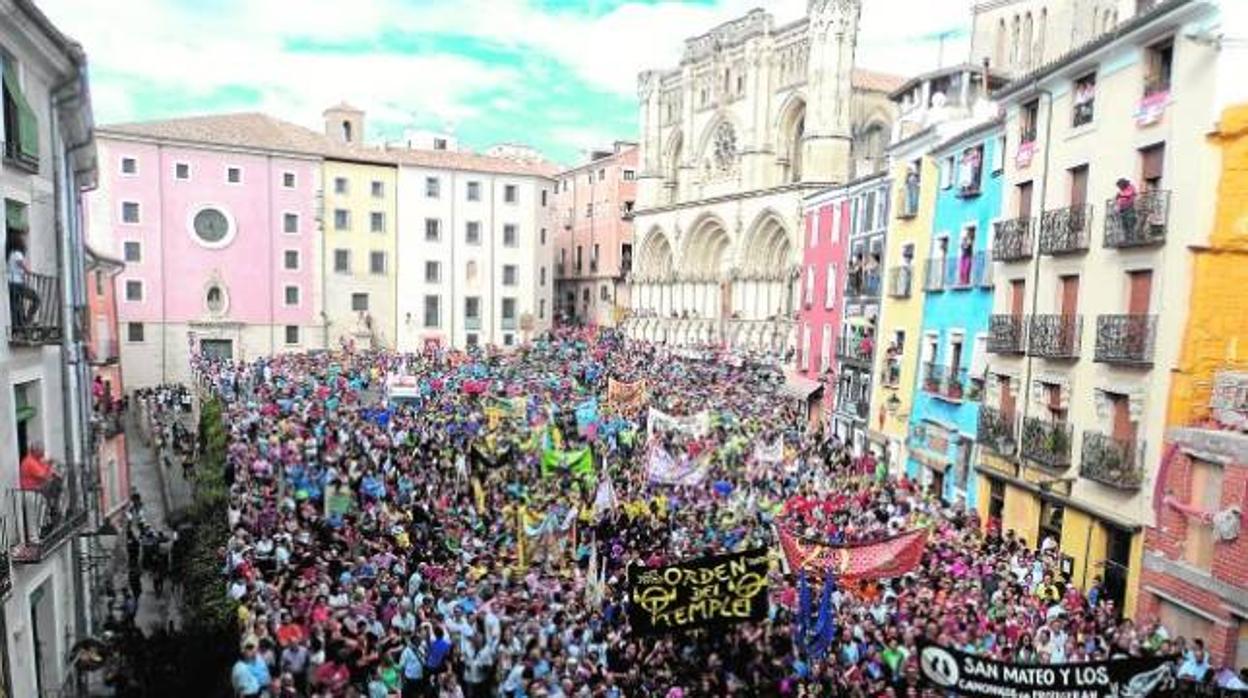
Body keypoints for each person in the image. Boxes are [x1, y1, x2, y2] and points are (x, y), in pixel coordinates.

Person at [6, 229, 38, 328]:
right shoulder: (17, 254)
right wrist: (29, 271)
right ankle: (26, 321)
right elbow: (23, 266)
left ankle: (20, 324)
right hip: (16, 283)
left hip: (12, 283)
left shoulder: (11, 254)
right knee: (36, 299)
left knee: (16, 306)